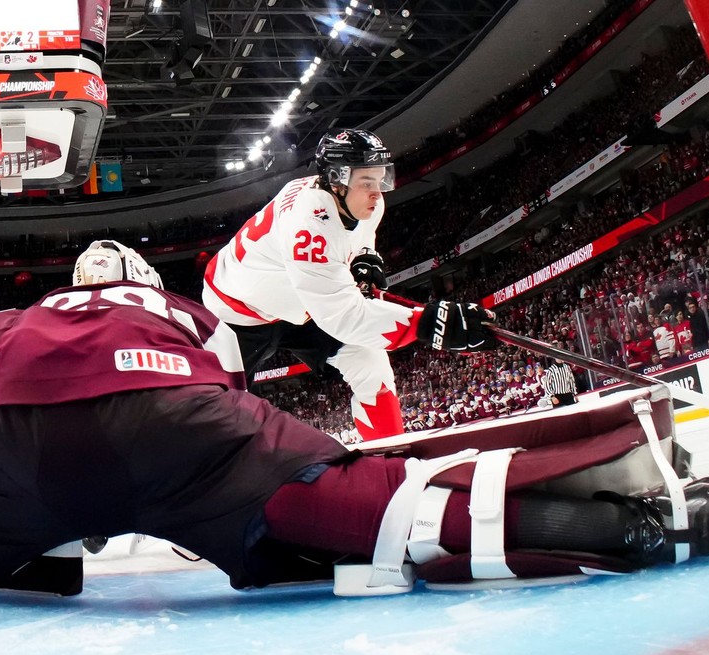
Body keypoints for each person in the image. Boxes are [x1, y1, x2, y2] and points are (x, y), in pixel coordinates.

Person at [0, 241, 709, 598]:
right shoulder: (198, 319)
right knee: (371, 506)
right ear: (146, 288)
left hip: (20, 451)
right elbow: (233, 405)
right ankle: (627, 514)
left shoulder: (19, 318)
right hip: (196, 433)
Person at [201, 128, 494, 440]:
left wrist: (363, 257)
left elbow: (361, 237)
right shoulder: (309, 226)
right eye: (367, 182)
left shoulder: (365, 203)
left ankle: (390, 456)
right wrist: (429, 325)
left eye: (381, 179)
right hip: (237, 313)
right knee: (221, 408)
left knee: (372, 365)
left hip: (303, 301)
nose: (377, 192)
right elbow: (345, 318)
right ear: (337, 181)